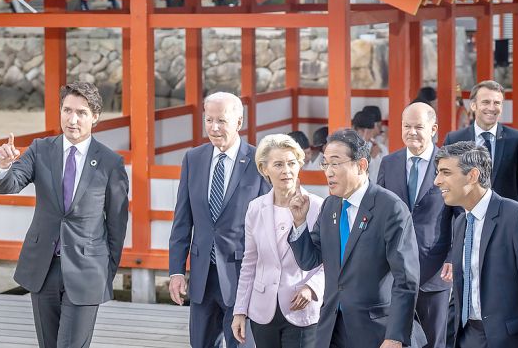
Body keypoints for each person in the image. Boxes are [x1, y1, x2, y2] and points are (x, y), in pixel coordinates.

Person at [0, 81, 129, 348]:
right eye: (67, 111)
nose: (72, 119)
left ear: (95, 117)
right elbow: (10, 184)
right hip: (43, 268)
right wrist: (3, 165)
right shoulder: (40, 149)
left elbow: (117, 225)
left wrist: (105, 271)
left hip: (87, 271)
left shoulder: (111, 163)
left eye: (81, 112)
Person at [288, 129, 426, 348]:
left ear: (361, 165)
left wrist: (395, 336)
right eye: (325, 164)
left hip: (376, 329)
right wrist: (299, 223)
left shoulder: (390, 208)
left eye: (335, 163)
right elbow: (309, 259)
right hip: (332, 327)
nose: (328, 172)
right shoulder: (330, 205)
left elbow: (406, 279)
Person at [168, 92, 270, 348]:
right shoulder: (193, 159)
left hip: (242, 276)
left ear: (239, 122)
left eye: (221, 120)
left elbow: (266, 225)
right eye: (209, 119)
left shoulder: (259, 162)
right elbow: (182, 220)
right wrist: (177, 271)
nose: (214, 127)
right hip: (202, 276)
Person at [436, 141, 518, 348]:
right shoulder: (461, 222)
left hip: (509, 340)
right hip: (466, 337)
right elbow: (461, 291)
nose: (437, 181)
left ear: (473, 175)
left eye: (446, 172)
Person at [232, 134, 325, 348]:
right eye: (279, 164)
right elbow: (249, 263)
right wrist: (240, 311)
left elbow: (330, 260)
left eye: (292, 163)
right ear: (265, 169)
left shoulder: (318, 207)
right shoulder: (255, 208)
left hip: (301, 307)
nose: (287, 170)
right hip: (262, 310)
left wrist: (311, 288)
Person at [377, 102, 454, 348]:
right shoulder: (389, 163)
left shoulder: (449, 164)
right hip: (394, 271)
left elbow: (460, 215)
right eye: (406, 126)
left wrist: (453, 257)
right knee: (397, 339)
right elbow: (379, 213)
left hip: (434, 269)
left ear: (433, 129)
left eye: (418, 127)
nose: (411, 132)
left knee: (433, 341)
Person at [443, 80, 518, 201]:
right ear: (473, 105)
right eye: (486, 102)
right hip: (464, 214)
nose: (491, 108)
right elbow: (446, 181)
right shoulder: (454, 139)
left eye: (497, 103)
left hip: (506, 215)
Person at [353, 111, 384, 182]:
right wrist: (372, 157)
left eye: (369, 132)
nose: (366, 135)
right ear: (354, 129)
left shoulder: (376, 147)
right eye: (362, 131)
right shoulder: (347, 147)